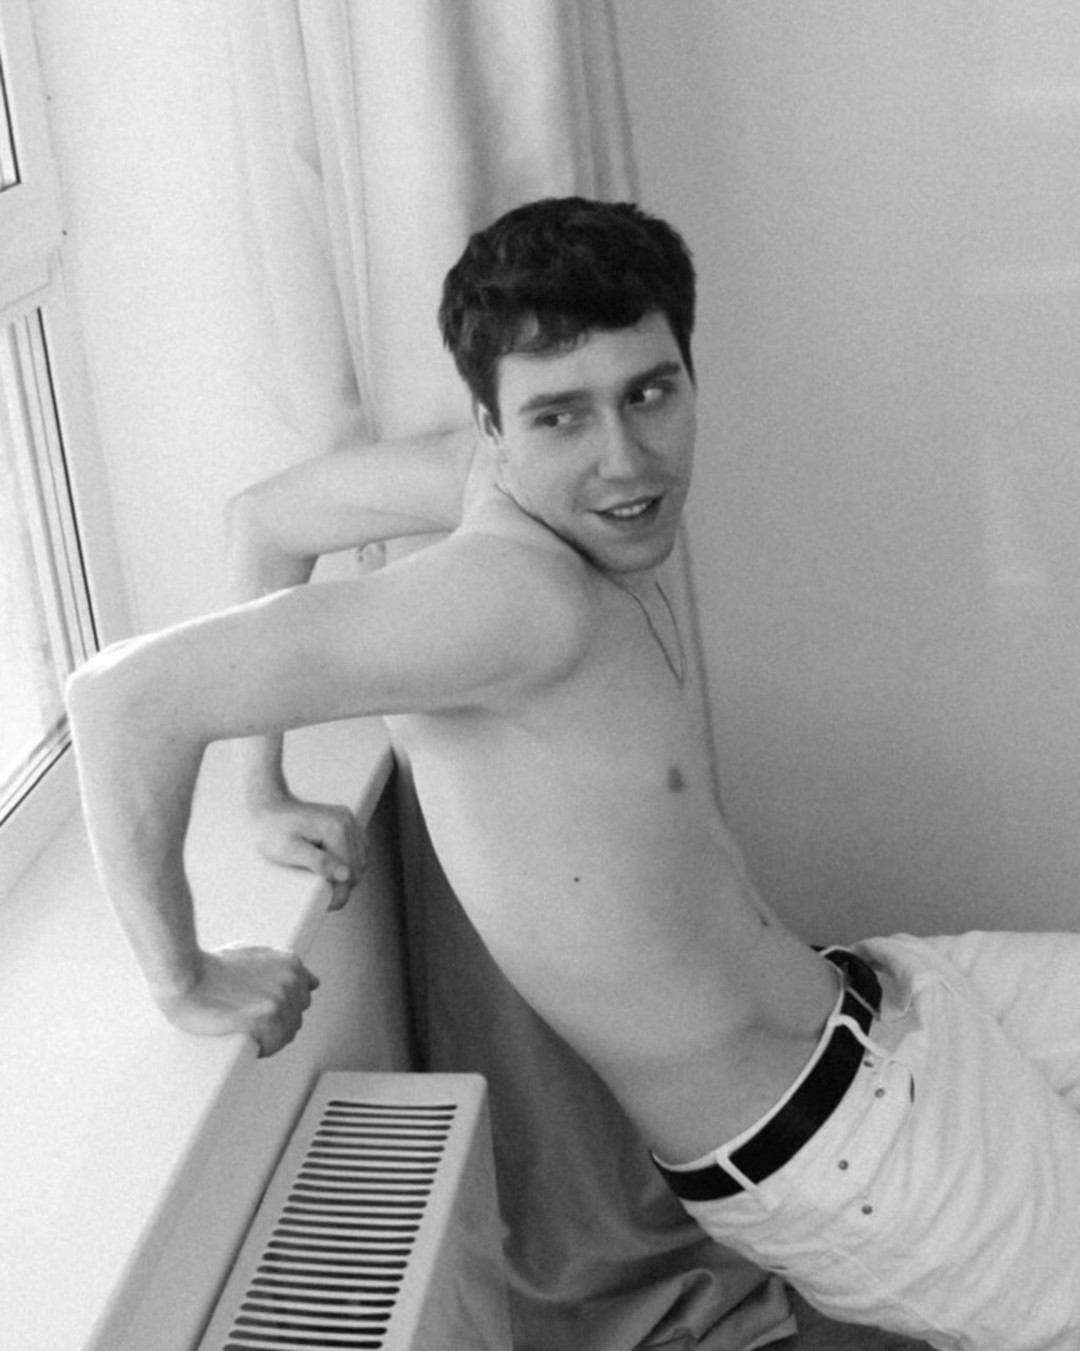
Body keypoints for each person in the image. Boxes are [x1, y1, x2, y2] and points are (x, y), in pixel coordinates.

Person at [67, 197, 1080, 1350]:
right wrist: (185, 977)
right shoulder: (507, 600)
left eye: (649, 392)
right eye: (560, 416)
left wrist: (265, 791)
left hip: (895, 1001)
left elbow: (267, 517)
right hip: (857, 1151)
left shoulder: (491, 479)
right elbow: (122, 700)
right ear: (493, 424)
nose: (625, 460)